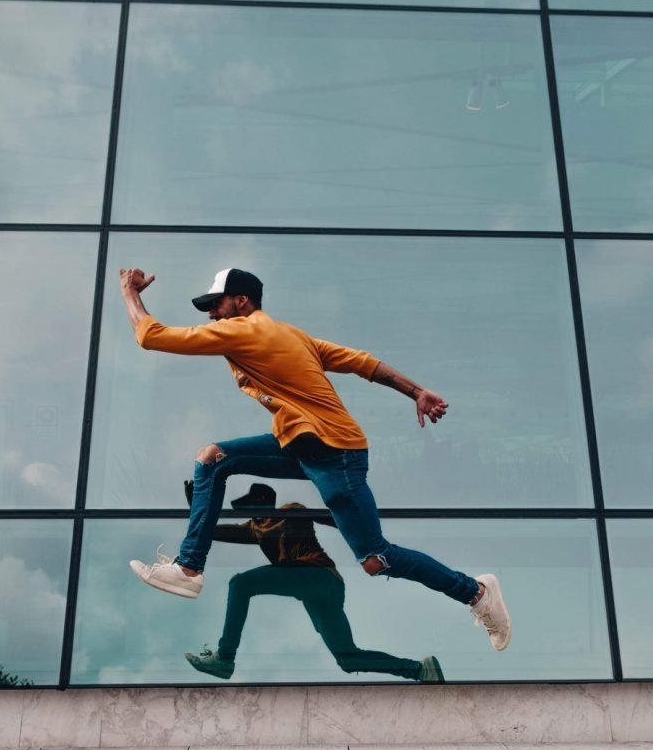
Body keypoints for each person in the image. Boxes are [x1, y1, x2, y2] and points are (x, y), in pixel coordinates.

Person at [120, 265, 510, 650]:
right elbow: (362, 362)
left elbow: (151, 336)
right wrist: (416, 391)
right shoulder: (292, 335)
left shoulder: (245, 328)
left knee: (376, 559)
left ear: (241, 301)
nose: (210, 315)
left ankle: (476, 593)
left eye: (216, 304)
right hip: (305, 446)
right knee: (213, 457)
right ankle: (189, 568)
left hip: (335, 452)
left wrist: (129, 293)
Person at [181, 480, 445, 683]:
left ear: (264, 502)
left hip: (318, 576)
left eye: (253, 508)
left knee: (240, 584)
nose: (253, 517)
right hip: (313, 592)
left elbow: (333, 519)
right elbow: (212, 532)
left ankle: (225, 658)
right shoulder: (254, 528)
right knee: (347, 658)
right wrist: (197, 507)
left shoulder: (291, 511)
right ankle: (421, 669)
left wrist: (365, 533)